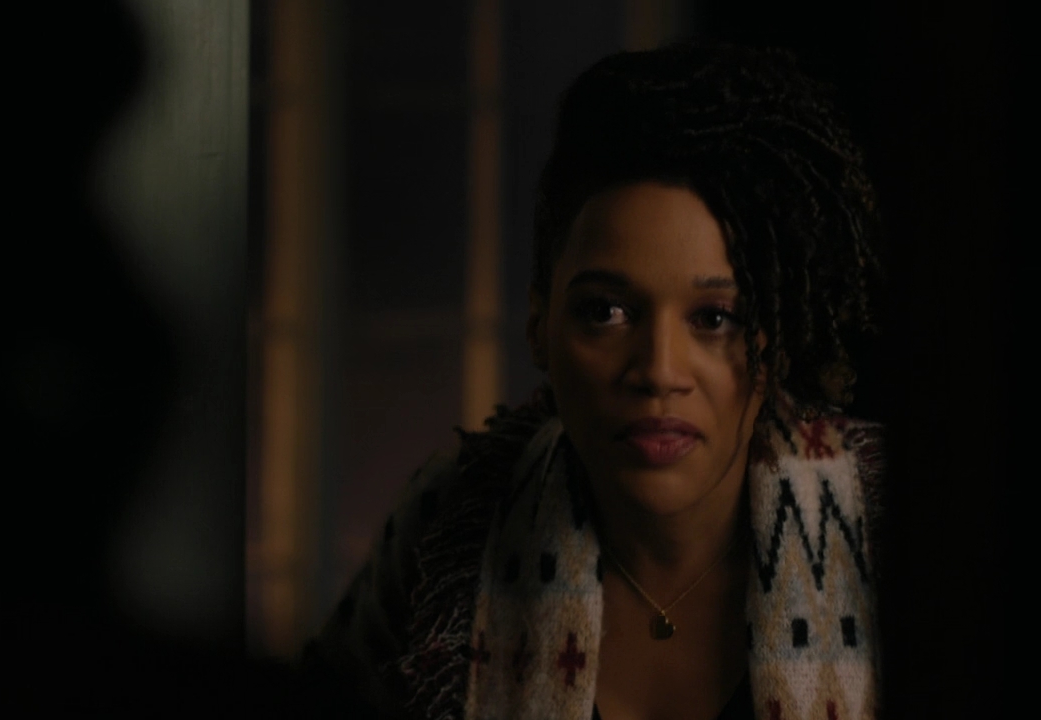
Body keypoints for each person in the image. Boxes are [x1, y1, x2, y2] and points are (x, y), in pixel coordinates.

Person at [301, 42, 885, 720]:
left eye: (715, 318)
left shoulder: (885, 530)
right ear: (539, 324)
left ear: (776, 342)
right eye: (606, 312)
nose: (658, 371)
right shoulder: (451, 520)